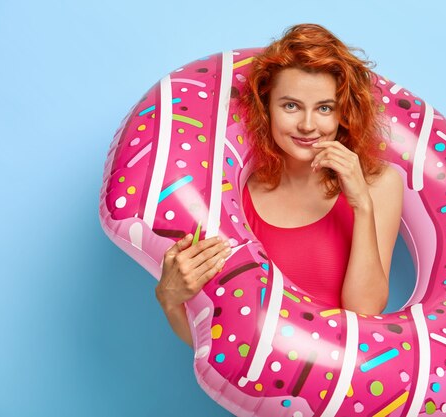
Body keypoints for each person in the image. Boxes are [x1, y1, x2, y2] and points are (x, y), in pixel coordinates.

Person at [155, 24, 403, 347]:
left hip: (341, 388)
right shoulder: (236, 199)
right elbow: (220, 341)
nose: (308, 125)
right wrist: (169, 300)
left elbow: (364, 312)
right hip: (255, 391)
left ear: (343, 112)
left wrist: (361, 205)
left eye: (324, 108)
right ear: (266, 107)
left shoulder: (381, 184)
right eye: (291, 106)